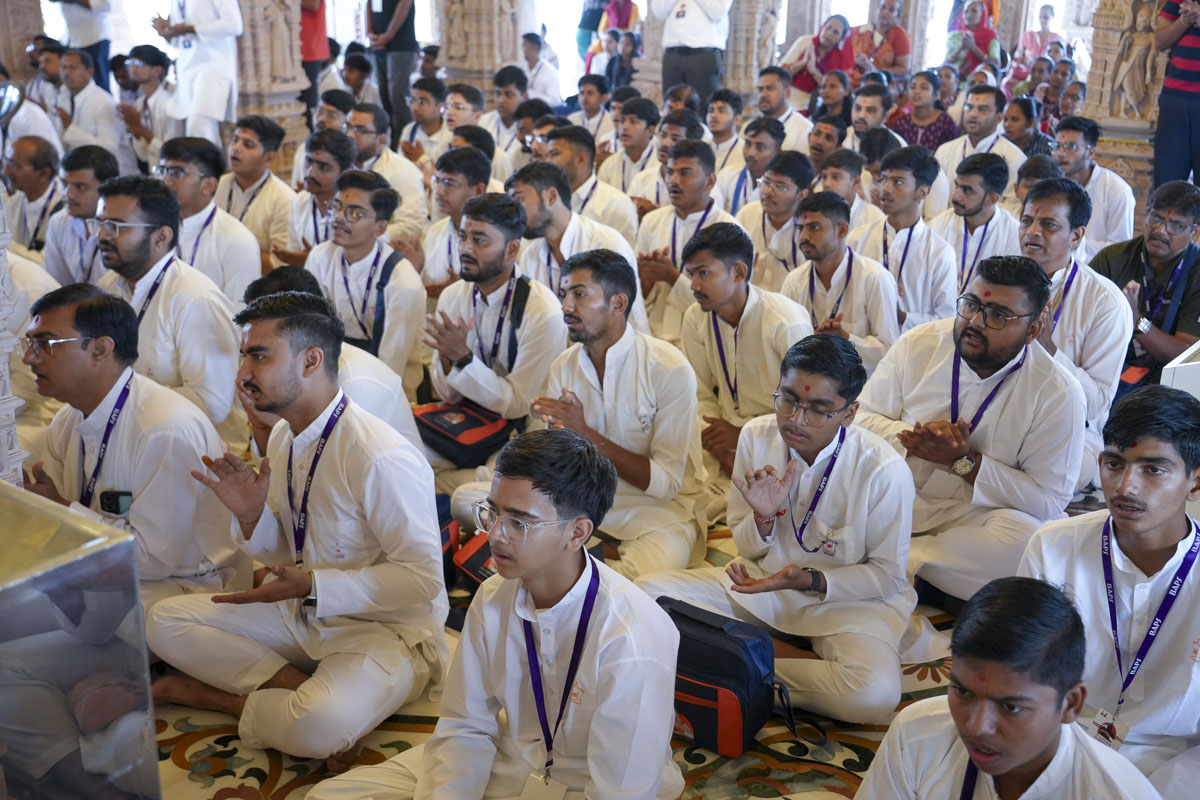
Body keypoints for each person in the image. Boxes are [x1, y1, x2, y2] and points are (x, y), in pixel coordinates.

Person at [146, 290, 447, 769]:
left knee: (319, 724)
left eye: (259, 356)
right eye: (244, 355)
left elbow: (423, 580)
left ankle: (230, 700)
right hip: (304, 612)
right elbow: (291, 548)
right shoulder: (286, 435)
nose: (243, 373)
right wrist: (252, 515)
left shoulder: (380, 455)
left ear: (310, 361)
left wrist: (313, 585)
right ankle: (294, 687)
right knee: (163, 621)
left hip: (385, 631)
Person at [309, 428, 683, 800]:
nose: (495, 535)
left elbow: (620, 791)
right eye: (493, 512)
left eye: (519, 522)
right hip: (513, 758)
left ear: (576, 533)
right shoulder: (493, 597)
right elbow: (466, 725)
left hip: (593, 781)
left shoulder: (630, 639)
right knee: (328, 796)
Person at [640, 332, 916, 724]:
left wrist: (809, 579)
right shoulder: (756, 436)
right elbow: (746, 547)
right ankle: (764, 659)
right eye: (788, 399)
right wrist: (763, 520)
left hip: (848, 604)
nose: (795, 419)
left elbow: (886, 576)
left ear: (849, 413)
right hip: (763, 586)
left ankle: (734, 660)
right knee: (645, 595)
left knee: (873, 694)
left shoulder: (884, 469)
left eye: (818, 409)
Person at [856, 255, 1086, 603]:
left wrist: (965, 463)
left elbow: (1049, 502)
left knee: (1027, 546)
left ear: (1033, 329)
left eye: (997, 315)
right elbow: (859, 419)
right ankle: (916, 574)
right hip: (895, 494)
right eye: (970, 305)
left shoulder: (1058, 392)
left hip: (969, 514)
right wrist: (916, 439)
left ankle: (888, 562)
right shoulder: (918, 344)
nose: (975, 322)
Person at [1019, 386, 1200, 796]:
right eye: (1115, 464)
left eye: (1153, 470)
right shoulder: (1053, 546)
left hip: (1179, 758)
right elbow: (1025, 673)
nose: (1125, 487)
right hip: (1067, 739)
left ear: (1195, 482)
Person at [21, 283, 238, 610]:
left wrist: (62, 510)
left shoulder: (164, 429)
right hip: (108, 566)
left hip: (184, 585)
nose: (29, 358)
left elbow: (154, 559)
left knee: (31, 606)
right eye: (30, 343)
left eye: (46, 344)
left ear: (100, 349)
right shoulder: (68, 417)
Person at [857, 576, 1161, 799]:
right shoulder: (916, 734)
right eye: (963, 692)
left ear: (1071, 703)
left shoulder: (1116, 793)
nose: (976, 726)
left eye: (1011, 707)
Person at [423, 193, 568, 490]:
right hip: (464, 420)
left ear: (512, 249)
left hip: (520, 433)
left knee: (479, 491)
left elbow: (518, 405)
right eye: (463, 237)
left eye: (479, 240)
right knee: (399, 454)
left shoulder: (542, 311)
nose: (465, 248)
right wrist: (449, 361)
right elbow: (446, 394)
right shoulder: (453, 296)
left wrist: (463, 359)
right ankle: (441, 486)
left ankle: (440, 487)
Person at [94, 175, 245, 450]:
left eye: (116, 226)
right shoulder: (107, 287)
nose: (103, 235)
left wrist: (117, 397)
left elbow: (212, 405)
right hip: (124, 434)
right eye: (100, 224)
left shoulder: (195, 299)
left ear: (161, 237)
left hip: (191, 449)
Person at [679, 222, 812, 519]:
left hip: (781, 441)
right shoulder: (695, 317)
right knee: (673, 485)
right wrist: (717, 444)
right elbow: (698, 395)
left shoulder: (785, 322)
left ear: (739, 272)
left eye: (704, 273)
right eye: (691, 274)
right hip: (720, 438)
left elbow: (807, 409)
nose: (694, 286)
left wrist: (744, 438)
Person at [1019, 177, 1133, 489]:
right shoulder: (1000, 282)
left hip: (1071, 432)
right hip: (998, 411)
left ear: (1077, 235)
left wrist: (1049, 351)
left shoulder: (1105, 302)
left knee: (1053, 464)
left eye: (1048, 224)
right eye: (1026, 221)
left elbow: (1097, 404)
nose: (1032, 232)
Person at [240, 266, 423, 457]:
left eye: (260, 320)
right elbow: (279, 470)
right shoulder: (285, 369)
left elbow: (321, 466)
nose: (243, 374)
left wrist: (276, 421)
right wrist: (260, 424)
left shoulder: (355, 382)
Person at [304, 169, 425, 399]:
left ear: (380, 228)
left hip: (386, 393)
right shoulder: (320, 257)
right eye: (337, 206)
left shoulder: (402, 282)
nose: (339, 217)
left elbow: (390, 370)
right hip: (329, 381)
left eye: (355, 213)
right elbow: (310, 330)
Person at [507, 161, 646, 326]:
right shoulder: (530, 255)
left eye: (519, 200)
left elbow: (627, 323)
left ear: (551, 197)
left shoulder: (606, 243)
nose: (514, 213)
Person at [1091, 181, 1200, 391]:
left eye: (1176, 225)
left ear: (1194, 233)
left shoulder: (1196, 272)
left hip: (1169, 387)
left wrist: (1136, 320)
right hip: (1107, 372)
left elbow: (1186, 356)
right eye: (1155, 218)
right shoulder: (1112, 259)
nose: (1161, 230)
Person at [635, 140, 741, 346]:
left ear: (710, 181)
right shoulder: (652, 221)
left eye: (685, 173)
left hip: (708, 339)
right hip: (654, 334)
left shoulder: (729, 229)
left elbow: (729, 303)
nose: (673, 181)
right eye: (669, 172)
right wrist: (646, 278)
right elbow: (641, 295)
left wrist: (671, 277)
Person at [781, 191, 900, 373]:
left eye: (814, 227)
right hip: (808, 382)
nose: (803, 236)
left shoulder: (875, 278)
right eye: (800, 228)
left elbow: (889, 352)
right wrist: (809, 342)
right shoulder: (794, 281)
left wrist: (846, 340)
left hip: (862, 387)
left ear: (842, 230)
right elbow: (784, 347)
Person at [849, 145, 957, 332]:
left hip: (913, 347)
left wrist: (903, 317)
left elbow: (946, 321)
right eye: (884, 180)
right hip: (861, 345)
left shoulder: (939, 253)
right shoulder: (858, 239)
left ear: (922, 192)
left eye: (898, 182)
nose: (885, 189)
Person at [156, 137, 260, 304]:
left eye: (177, 173)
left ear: (208, 186)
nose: (165, 181)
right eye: (162, 171)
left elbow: (240, 312)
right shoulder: (155, 229)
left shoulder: (237, 239)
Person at [394, 146, 489, 294]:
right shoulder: (434, 232)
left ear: (478, 190)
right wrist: (413, 270)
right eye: (437, 181)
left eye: (449, 183)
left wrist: (463, 292)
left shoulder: (498, 237)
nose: (439, 191)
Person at [153, 0, 242, 146]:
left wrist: (189, 29)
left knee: (199, 126)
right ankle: (207, 161)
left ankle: (203, 162)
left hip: (212, 67)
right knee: (193, 130)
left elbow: (234, 25)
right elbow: (180, 41)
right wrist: (166, 32)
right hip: (187, 69)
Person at [929, 153, 1021, 294]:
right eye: (956, 186)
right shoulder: (938, 226)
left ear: (991, 199)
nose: (955, 196)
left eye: (967, 190)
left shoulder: (1014, 236)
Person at [217, 115, 296, 272]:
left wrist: (228, 250)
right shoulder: (215, 185)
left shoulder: (285, 200)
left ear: (268, 158)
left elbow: (278, 265)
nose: (236, 148)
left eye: (248, 145)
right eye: (235, 140)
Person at [1053, 116, 1135, 261]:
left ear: (1090, 153)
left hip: (1097, 270)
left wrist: (1069, 243)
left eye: (1070, 146)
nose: (1060, 153)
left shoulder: (1117, 190)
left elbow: (1121, 249)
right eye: (1057, 146)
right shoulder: (1051, 185)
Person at [543, 125, 638, 247]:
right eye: (546, 155)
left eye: (554, 154)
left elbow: (625, 255)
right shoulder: (545, 201)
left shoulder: (615, 203)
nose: (547, 162)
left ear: (581, 159)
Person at [345, 102, 426, 242]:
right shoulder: (337, 165)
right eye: (348, 127)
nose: (350, 135)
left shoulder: (402, 170)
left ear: (381, 139)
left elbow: (411, 225)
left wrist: (363, 236)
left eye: (360, 130)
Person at [738, 151, 814, 292]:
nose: (768, 192)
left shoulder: (809, 228)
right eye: (766, 182)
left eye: (780, 186)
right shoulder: (747, 214)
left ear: (801, 195)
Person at [40, 145, 115, 287]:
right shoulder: (59, 222)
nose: (68, 194)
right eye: (64, 184)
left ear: (108, 187)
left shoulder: (122, 229)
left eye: (80, 187)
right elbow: (56, 286)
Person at [53, 49, 137, 176]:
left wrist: (70, 129)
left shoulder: (103, 102)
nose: (66, 73)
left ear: (90, 72)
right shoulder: (63, 97)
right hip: (82, 172)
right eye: (63, 67)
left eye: (72, 68)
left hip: (116, 174)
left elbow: (108, 149)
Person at [280, 128, 357, 266]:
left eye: (324, 167)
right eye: (309, 161)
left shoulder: (358, 211)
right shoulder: (300, 201)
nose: (310, 173)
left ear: (344, 173)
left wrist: (313, 261)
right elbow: (293, 256)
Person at [934, 85, 1026, 198]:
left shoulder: (1014, 158)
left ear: (999, 118)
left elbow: (1010, 205)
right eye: (969, 107)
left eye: (983, 109)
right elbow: (935, 198)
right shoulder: (945, 151)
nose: (973, 114)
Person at [652, 0, 731, 111]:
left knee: (703, 108)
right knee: (672, 107)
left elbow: (717, 12)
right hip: (673, 53)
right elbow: (658, 11)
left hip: (703, 54)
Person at [117, 44, 183, 171]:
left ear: (157, 70)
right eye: (129, 63)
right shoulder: (140, 103)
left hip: (171, 172)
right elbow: (143, 156)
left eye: (138, 64)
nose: (132, 68)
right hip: (152, 171)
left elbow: (172, 152)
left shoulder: (169, 103)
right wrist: (135, 132)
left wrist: (141, 130)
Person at [779, 14, 855, 112]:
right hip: (787, 97)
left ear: (841, 38)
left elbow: (833, 89)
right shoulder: (805, 42)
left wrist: (813, 70)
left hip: (818, 105)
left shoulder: (840, 58)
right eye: (828, 27)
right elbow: (780, 75)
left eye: (835, 32)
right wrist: (803, 63)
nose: (829, 33)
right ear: (822, 27)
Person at [3, 135, 64, 254]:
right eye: (7, 162)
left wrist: (6, 246)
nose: (5, 171)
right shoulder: (14, 202)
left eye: (14, 165)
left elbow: (47, 262)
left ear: (44, 174)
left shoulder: (66, 208)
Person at [366, 0, 417, 136]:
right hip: (377, 44)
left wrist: (389, 34)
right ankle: (387, 139)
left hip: (400, 44)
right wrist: (369, 32)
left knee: (398, 97)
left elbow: (405, 3)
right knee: (383, 97)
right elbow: (369, 3)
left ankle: (403, 140)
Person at [718, 117, 784, 216]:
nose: (750, 153)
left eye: (760, 147)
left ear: (777, 152)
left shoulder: (783, 187)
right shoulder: (727, 175)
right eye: (748, 144)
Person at [1003, 4, 1067, 99]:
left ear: (1052, 18)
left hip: (1047, 75)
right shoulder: (1027, 36)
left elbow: (1060, 61)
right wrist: (1028, 69)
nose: (1042, 20)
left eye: (1046, 17)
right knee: (1007, 84)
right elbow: (1018, 58)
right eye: (1040, 17)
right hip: (1026, 73)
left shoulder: (1058, 39)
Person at [597, 96, 659, 192]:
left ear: (650, 130)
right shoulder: (609, 164)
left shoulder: (659, 164)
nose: (625, 127)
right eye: (622, 121)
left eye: (633, 122)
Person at [889, 70, 960, 151]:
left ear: (936, 95)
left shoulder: (945, 123)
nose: (916, 91)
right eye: (912, 87)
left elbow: (951, 152)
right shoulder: (902, 123)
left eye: (924, 88)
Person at [819, 147, 885, 232]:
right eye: (824, 177)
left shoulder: (874, 218)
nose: (827, 183)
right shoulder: (816, 213)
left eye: (835, 177)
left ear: (856, 182)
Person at [749, 66, 814, 153]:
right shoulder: (750, 125)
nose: (763, 95)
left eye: (770, 88)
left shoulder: (805, 129)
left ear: (787, 93)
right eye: (760, 89)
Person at [849, 0, 911, 88]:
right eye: (883, 7)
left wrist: (876, 70)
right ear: (877, 9)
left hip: (880, 86)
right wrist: (854, 59)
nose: (885, 11)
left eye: (891, 9)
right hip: (852, 82)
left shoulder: (900, 35)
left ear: (898, 14)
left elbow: (904, 69)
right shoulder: (861, 30)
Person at [55, 0, 112, 93]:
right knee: (78, 84)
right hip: (74, 38)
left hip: (94, 37)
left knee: (100, 84)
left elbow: (105, 5)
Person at [398, 77, 453, 169]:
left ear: (440, 106)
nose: (414, 108)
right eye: (412, 100)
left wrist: (420, 158)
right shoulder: (410, 130)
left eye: (422, 102)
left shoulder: (451, 135)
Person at [479, 66, 528, 164]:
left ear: (524, 97)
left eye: (509, 95)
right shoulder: (484, 121)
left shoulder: (530, 126)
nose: (501, 100)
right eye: (497, 94)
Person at [944, 0, 999, 81]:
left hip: (979, 82)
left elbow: (995, 64)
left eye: (974, 11)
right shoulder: (954, 36)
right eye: (966, 11)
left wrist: (973, 47)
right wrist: (961, 49)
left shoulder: (991, 37)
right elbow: (945, 64)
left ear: (982, 14)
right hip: (954, 81)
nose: (969, 15)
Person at [1001, 152, 1063, 219]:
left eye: (1045, 188)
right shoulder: (1002, 218)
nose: (1037, 193)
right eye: (1030, 186)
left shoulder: (1063, 222)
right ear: (1016, 189)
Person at [845, 83, 907, 151]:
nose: (861, 115)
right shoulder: (840, 137)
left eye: (870, 110)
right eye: (857, 108)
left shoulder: (898, 146)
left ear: (885, 116)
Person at [298, 0, 329, 126]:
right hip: (292, 47)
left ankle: (311, 134)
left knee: (307, 103)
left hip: (309, 46)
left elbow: (313, 4)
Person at [520, 33, 562, 108]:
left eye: (525, 45)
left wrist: (530, 95)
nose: (522, 49)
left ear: (534, 47)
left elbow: (555, 101)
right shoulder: (522, 69)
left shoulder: (550, 71)